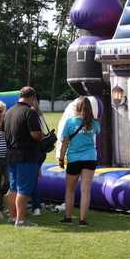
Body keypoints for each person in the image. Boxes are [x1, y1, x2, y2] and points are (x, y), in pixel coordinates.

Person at [3, 86, 43, 227]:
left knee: (13, 188)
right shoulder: (29, 112)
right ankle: (20, 220)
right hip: (26, 155)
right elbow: (35, 134)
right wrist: (42, 136)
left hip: (11, 155)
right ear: (32, 98)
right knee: (24, 189)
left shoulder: (8, 112)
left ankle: (13, 217)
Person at [59, 96, 100, 227]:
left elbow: (64, 142)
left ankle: (68, 217)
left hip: (74, 159)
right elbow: (98, 132)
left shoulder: (70, 122)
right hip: (90, 158)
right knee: (85, 190)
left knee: (70, 190)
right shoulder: (94, 122)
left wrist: (61, 158)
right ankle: (82, 220)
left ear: (77, 108)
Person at [30, 96, 49, 216]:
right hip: (42, 152)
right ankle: (35, 205)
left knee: (31, 180)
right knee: (34, 178)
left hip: (33, 151)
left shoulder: (30, 115)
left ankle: (36, 206)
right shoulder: (40, 114)